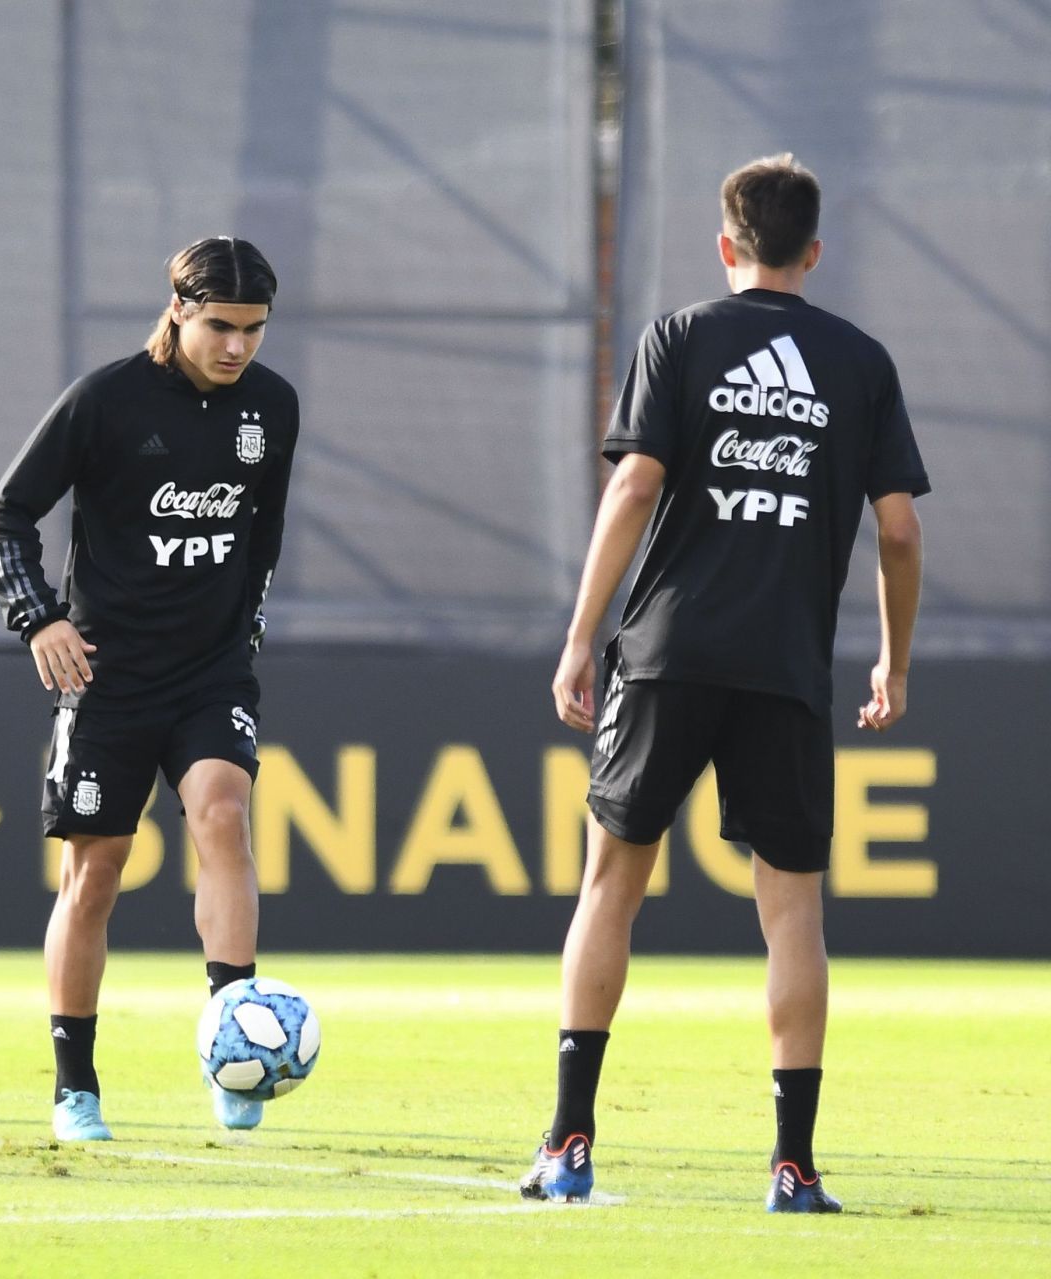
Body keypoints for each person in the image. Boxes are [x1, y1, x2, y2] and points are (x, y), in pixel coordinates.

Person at [520, 154, 927, 1212]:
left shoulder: (679, 336)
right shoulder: (863, 361)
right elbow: (899, 529)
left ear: (725, 244)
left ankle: (567, 1146)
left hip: (665, 653)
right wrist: (893, 657)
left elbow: (636, 485)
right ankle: (792, 1166)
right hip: (785, 669)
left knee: (611, 884)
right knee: (793, 915)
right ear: (814, 250)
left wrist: (580, 635)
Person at [0, 236, 298, 1141]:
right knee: (95, 874)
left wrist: (246, 628)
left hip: (211, 670)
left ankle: (235, 1044)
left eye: (253, 329)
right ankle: (74, 1085)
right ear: (177, 311)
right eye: (219, 326)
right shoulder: (107, 401)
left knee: (225, 817)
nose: (237, 347)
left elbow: (262, 534)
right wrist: (40, 618)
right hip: (109, 675)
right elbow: (7, 515)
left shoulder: (272, 407)